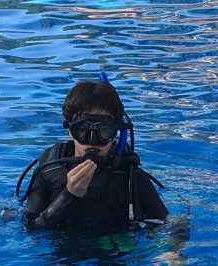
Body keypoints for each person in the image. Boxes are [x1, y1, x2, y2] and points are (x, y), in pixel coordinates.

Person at [19, 79, 168, 230]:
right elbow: (30, 229)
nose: (92, 141)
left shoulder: (130, 177)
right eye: (82, 130)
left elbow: (170, 224)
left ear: (115, 133)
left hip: (117, 249)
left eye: (103, 131)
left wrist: (174, 250)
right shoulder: (49, 172)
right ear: (70, 130)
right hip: (63, 249)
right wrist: (69, 195)